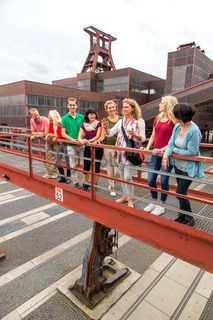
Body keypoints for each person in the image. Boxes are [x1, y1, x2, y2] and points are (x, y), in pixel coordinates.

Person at [162, 103, 204, 226]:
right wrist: (165, 155)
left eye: (175, 115)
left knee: (180, 192)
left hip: (189, 166)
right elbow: (170, 143)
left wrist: (175, 151)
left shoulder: (194, 131)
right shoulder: (177, 126)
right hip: (178, 164)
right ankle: (182, 215)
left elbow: (191, 152)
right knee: (182, 193)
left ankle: (190, 217)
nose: (174, 117)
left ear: (180, 116)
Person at [102, 98, 146, 208]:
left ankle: (130, 199)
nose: (124, 109)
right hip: (119, 152)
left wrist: (135, 134)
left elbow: (143, 139)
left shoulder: (139, 121)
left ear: (132, 108)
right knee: (122, 176)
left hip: (130, 152)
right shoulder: (121, 121)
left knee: (127, 177)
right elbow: (110, 133)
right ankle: (125, 196)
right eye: (123, 107)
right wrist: (106, 128)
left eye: (126, 107)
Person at [143, 95, 178, 215]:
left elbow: (174, 140)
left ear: (167, 105)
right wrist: (147, 148)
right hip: (155, 154)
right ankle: (154, 201)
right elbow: (153, 134)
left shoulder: (174, 120)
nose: (159, 104)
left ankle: (162, 205)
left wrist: (162, 149)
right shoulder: (157, 118)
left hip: (167, 155)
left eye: (161, 102)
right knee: (150, 179)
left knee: (164, 181)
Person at [78, 109, 103, 191]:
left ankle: (94, 185)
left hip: (97, 147)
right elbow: (79, 137)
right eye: (90, 114)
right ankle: (85, 184)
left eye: (94, 114)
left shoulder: (98, 123)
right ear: (87, 115)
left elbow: (98, 136)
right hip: (88, 147)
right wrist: (82, 141)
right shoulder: (83, 125)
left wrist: (88, 141)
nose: (92, 116)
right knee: (86, 166)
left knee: (97, 167)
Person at [61, 97, 84, 187]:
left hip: (81, 144)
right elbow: (63, 133)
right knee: (73, 165)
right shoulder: (64, 118)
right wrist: (72, 139)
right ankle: (75, 182)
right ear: (68, 106)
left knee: (83, 164)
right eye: (70, 105)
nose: (72, 106)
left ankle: (84, 182)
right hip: (71, 144)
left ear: (76, 106)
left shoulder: (81, 117)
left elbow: (85, 130)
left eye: (73, 105)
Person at [45, 110, 71, 183]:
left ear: (53, 116)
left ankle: (68, 177)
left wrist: (53, 136)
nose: (48, 117)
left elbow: (61, 135)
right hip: (58, 144)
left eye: (49, 115)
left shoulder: (61, 123)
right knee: (57, 161)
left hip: (65, 143)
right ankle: (62, 177)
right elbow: (49, 133)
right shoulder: (50, 124)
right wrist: (52, 135)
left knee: (67, 161)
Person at [103, 100, 121, 197]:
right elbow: (104, 134)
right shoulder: (105, 120)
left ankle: (113, 181)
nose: (111, 109)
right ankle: (112, 187)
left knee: (119, 169)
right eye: (109, 108)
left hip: (119, 147)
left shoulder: (121, 119)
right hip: (108, 147)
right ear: (106, 109)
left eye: (113, 107)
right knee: (110, 167)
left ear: (115, 107)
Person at [29, 108, 54, 178]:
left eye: (37, 115)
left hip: (52, 139)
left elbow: (46, 133)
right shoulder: (31, 121)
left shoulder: (45, 120)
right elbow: (32, 132)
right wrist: (39, 134)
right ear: (31, 117)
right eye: (34, 116)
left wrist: (37, 134)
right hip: (45, 140)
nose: (37, 117)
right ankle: (51, 173)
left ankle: (50, 173)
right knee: (47, 157)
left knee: (48, 157)